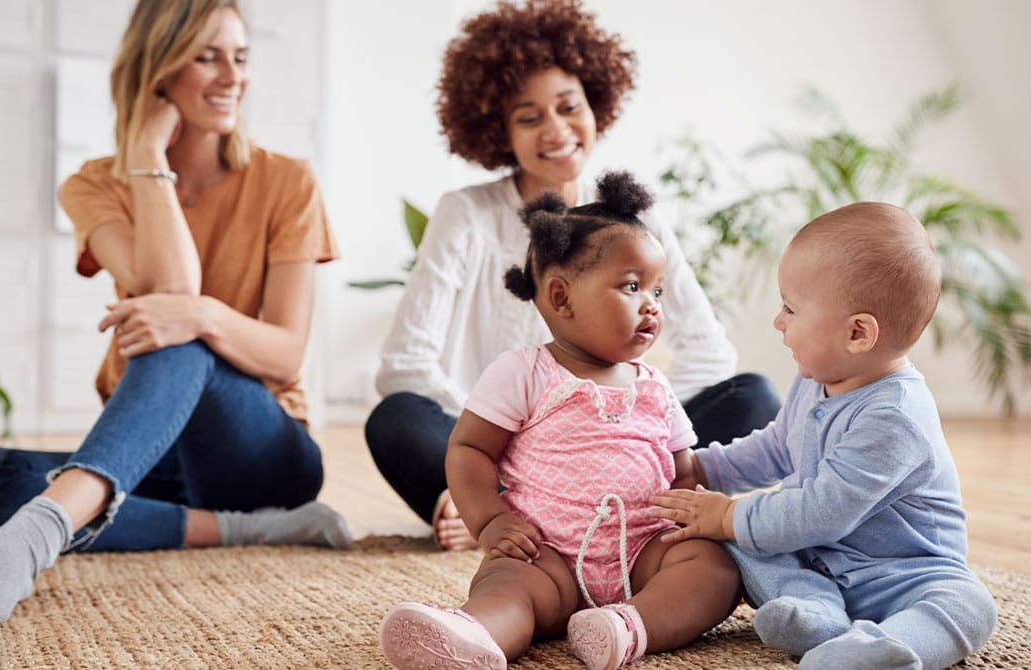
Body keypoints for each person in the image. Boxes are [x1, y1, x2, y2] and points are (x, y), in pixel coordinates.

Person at [0, 0, 351, 626]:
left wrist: (201, 316)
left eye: (240, 56)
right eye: (207, 57)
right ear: (158, 71)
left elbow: (280, 350)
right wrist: (149, 154)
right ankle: (237, 530)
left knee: (176, 330)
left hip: (261, 451)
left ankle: (37, 537)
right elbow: (171, 283)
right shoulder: (94, 184)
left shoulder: (288, 181)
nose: (233, 76)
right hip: (156, 461)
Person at [367, 0, 780, 552]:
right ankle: (486, 501)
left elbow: (710, 355)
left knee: (751, 396)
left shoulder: (634, 219)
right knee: (394, 419)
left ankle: (511, 506)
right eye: (529, 117)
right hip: (498, 446)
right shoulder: (464, 213)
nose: (557, 130)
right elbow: (405, 367)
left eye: (568, 107)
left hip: (620, 446)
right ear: (499, 131)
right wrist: (514, 431)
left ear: (595, 104)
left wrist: (624, 422)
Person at [378, 173, 742, 670]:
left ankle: (628, 627)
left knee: (714, 568)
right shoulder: (524, 372)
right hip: (545, 552)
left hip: (644, 553)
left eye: (657, 291)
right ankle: (472, 635)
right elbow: (469, 449)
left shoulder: (655, 385)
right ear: (561, 297)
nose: (652, 305)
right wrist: (490, 520)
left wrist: (697, 515)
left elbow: (683, 472)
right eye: (632, 286)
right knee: (508, 581)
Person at [651, 202, 998, 669]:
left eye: (790, 309)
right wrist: (704, 468)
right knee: (728, 540)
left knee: (968, 605)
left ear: (858, 333)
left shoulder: (894, 416)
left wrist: (728, 515)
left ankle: (881, 652)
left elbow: (821, 511)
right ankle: (814, 612)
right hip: (817, 559)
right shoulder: (815, 380)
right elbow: (777, 446)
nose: (778, 321)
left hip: (902, 574)